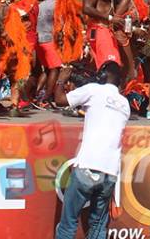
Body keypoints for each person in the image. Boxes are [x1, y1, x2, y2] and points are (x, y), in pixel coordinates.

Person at [53, 60, 129, 239]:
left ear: (102, 75)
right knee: (97, 228)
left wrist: (61, 80)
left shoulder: (94, 90)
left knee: (68, 225)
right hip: (110, 172)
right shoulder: (125, 103)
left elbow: (59, 100)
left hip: (88, 165)